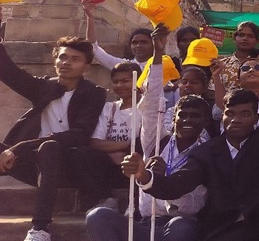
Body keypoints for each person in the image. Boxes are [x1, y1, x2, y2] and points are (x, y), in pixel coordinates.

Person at [121, 2, 259, 241]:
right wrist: (144, 176)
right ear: (221, 114)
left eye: (245, 114)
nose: (236, 120)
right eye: (230, 113)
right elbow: (177, 185)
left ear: (256, 118)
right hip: (223, 229)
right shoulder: (208, 151)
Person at [86, 28, 208, 241]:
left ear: (206, 121)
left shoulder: (205, 150)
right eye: (183, 115)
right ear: (173, 117)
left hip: (182, 225)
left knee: (180, 227)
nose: (187, 121)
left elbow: (180, 189)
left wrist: (146, 175)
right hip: (145, 224)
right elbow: (151, 104)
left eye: (195, 116)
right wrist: (158, 54)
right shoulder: (156, 141)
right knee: (98, 216)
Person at [0, 33, 107, 241]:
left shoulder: (93, 93)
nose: (66, 63)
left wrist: (19, 147)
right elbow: (9, 72)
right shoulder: (44, 87)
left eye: (75, 59)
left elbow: (79, 135)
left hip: (69, 165)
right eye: (62, 57)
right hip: (33, 165)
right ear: (55, 60)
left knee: (50, 147)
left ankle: (40, 229)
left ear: (86, 67)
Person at [76, 61, 144, 210]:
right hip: (111, 166)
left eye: (125, 81)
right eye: (116, 82)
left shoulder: (147, 107)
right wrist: (125, 147)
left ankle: (137, 202)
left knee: (140, 144)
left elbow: (147, 142)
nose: (120, 85)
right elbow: (95, 142)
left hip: (138, 166)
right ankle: (105, 200)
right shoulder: (109, 108)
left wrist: (125, 151)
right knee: (83, 152)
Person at [215, 18, 259, 92]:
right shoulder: (222, 65)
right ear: (234, 38)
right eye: (241, 35)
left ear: (257, 41)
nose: (245, 38)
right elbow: (212, 93)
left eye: (250, 36)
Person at [83, 0, 154, 70]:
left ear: (154, 44)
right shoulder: (124, 66)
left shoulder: (162, 66)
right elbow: (93, 47)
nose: (138, 46)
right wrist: (90, 18)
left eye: (144, 42)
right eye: (134, 43)